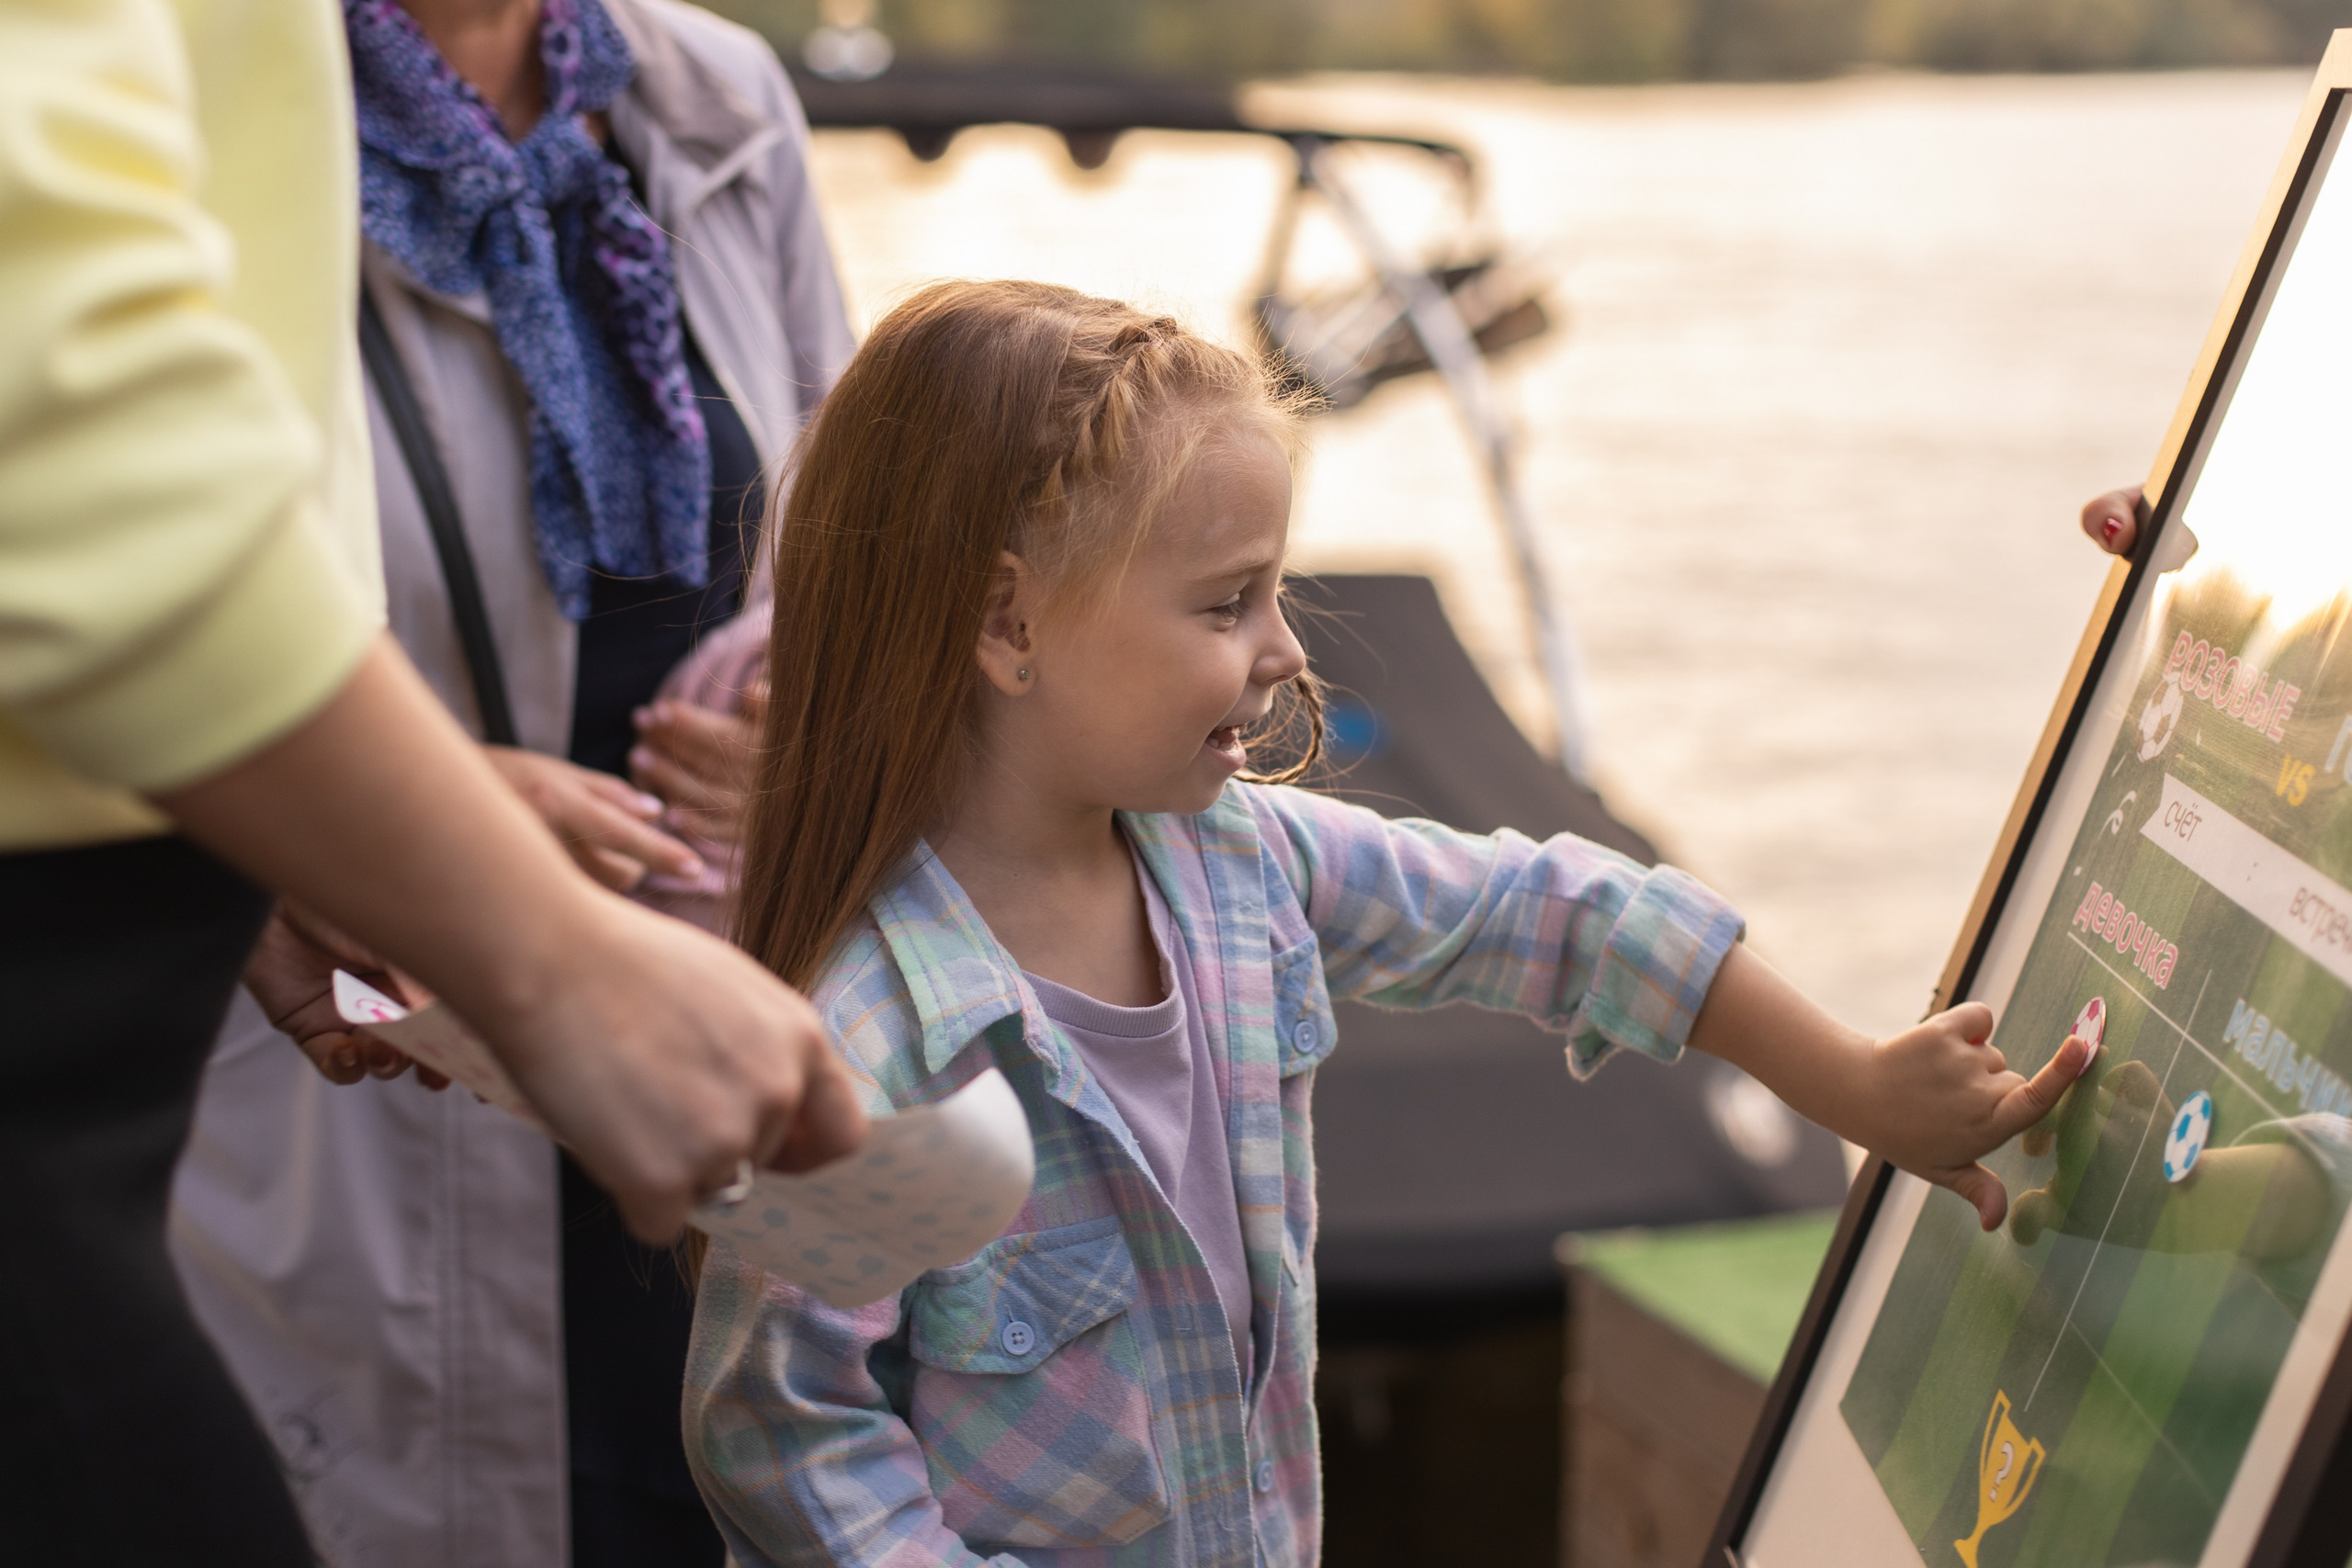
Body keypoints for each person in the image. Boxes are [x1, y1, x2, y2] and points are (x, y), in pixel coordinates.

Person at [678, 281, 2090, 1567]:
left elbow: (1559, 913)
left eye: (1275, 592)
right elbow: (791, 1440)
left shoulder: (1243, 867)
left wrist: (1851, 1079)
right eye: (1229, 603)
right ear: (1009, 624)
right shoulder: (863, 1048)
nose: (1287, 650)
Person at [0, 4, 865, 1564]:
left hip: (680, 1094)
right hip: (315, 1112)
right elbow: (67, 452)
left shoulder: (714, 96)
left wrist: (819, 734)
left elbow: (850, 536)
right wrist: (506, 916)